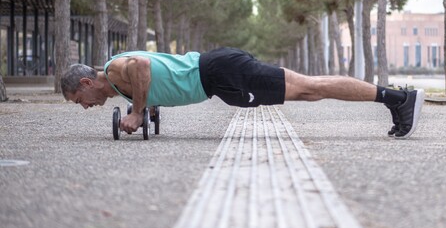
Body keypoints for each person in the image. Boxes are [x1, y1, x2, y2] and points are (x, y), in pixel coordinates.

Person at [61, 47, 424, 139]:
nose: (85, 107)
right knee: (308, 91)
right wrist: (142, 108)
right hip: (219, 78)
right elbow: (155, 78)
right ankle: (396, 100)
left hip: (219, 72)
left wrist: (138, 112)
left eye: (79, 101)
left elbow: (143, 66)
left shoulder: (114, 69)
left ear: (86, 84)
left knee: (310, 87)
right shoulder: (118, 83)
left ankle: (398, 99)